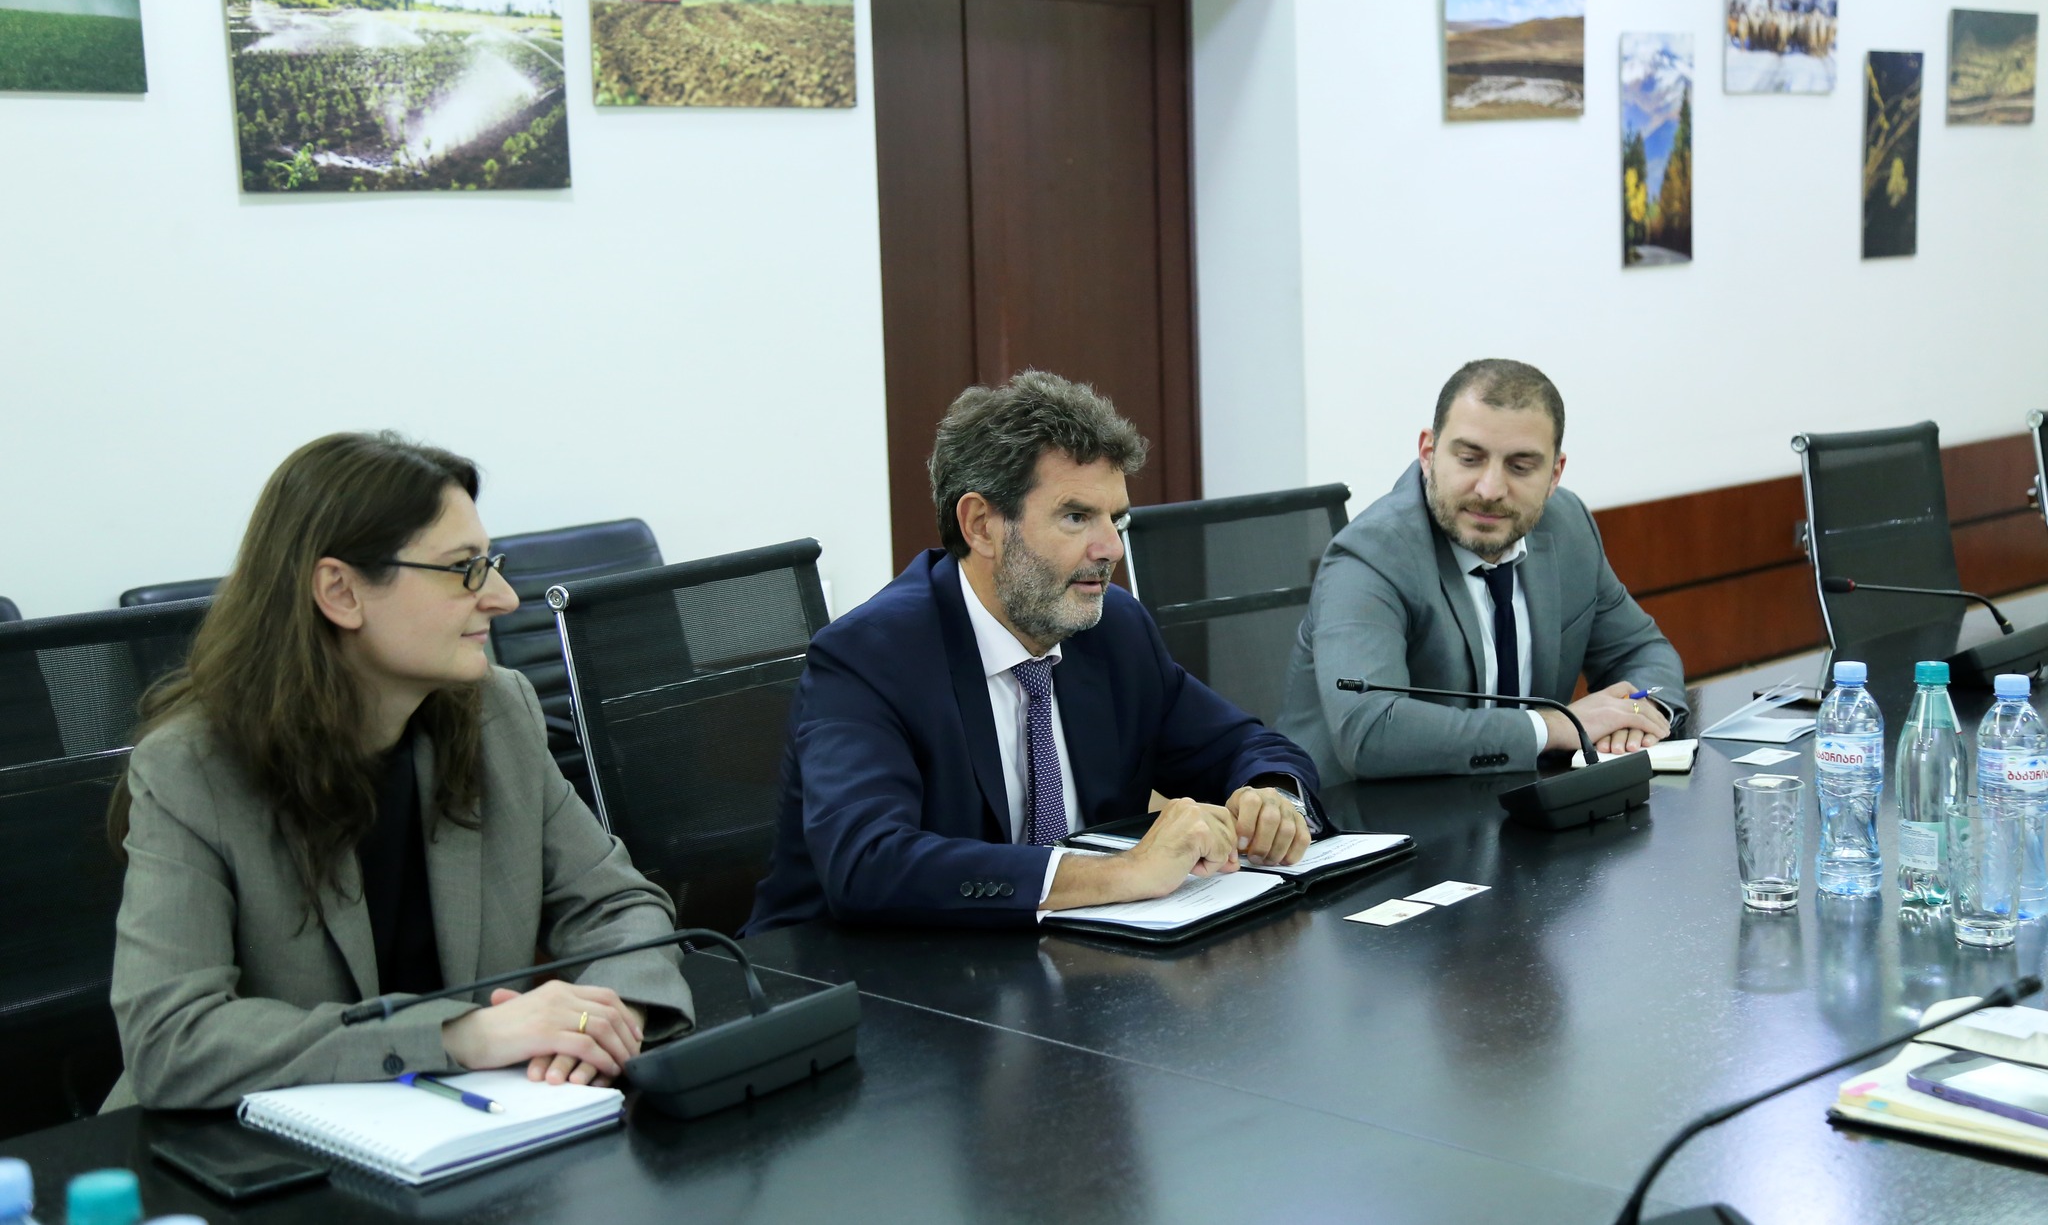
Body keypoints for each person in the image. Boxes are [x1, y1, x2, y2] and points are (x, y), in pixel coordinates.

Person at [106, 432, 694, 1110]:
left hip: (462, 1123)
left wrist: (602, 1019)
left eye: (490, 563)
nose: (503, 597)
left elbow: (617, 906)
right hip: (235, 1148)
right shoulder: (191, 767)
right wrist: (456, 1035)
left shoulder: (497, 711)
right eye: (463, 568)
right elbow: (170, 1038)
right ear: (341, 592)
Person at [746, 371, 1321, 933]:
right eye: (1076, 517)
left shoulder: (1113, 628)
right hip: (861, 973)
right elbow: (870, 864)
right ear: (981, 525)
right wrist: (1122, 873)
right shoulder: (869, 657)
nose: (1111, 548)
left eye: (1115, 518)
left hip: (1069, 959)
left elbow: (1244, 745)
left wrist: (1273, 799)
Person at [1276, 359, 1688, 782]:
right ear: (1428, 453)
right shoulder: (1371, 556)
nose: (1490, 490)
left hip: (1521, 799)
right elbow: (1371, 731)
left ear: (1554, 474)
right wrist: (1554, 727)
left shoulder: (1568, 527)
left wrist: (1639, 712)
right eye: (1470, 459)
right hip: (1370, 811)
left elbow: (1640, 652)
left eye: (1520, 466)